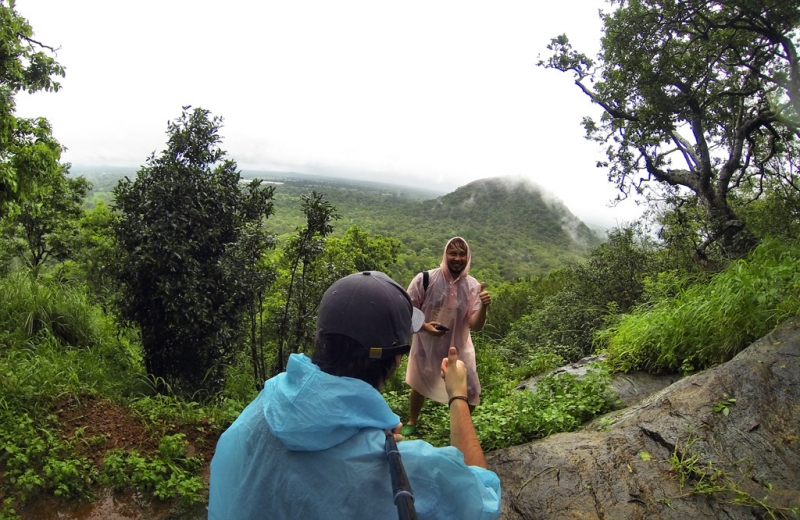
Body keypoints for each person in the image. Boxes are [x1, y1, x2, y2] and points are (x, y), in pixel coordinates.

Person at [208, 271, 501, 520]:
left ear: (321, 340)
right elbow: (483, 500)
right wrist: (457, 396)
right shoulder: (402, 469)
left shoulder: (262, 407)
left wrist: (363, 433)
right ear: (397, 360)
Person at [401, 237, 491, 436]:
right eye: (453, 253)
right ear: (445, 255)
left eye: (462, 254)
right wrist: (424, 326)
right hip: (427, 344)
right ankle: (412, 420)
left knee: (472, 390)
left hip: (459, 348)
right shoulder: (425, 279)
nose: (457, 258)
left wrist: (484, 306)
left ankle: (459, 427)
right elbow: (406, 310)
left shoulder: (472, 286)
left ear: (468, 257)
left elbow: (475, 326)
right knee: (420, 384)